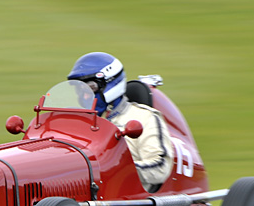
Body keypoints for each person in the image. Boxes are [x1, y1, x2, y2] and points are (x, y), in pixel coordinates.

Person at [68, 52, 175, 192]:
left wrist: (115, 170)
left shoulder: (143, 117)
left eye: (91, 88)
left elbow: (160, 167)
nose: (84, 96)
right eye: (80, 90)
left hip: (127, 198)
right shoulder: (77, 122)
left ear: (109, 84)